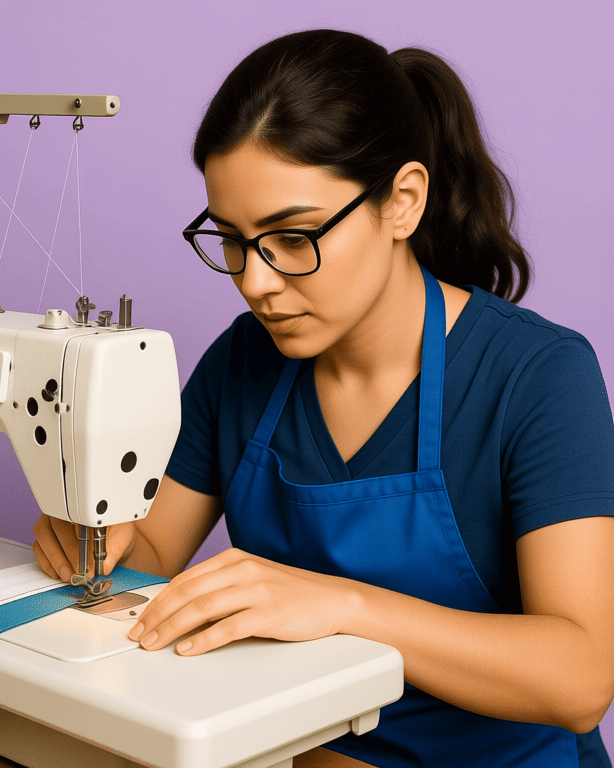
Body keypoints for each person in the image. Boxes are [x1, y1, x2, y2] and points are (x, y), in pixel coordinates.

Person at [33, 29, 614, 767]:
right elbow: (151, 553)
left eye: (294, 237)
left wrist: (340, 604)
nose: (256, 282)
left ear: (401, 202)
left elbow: (580, 677)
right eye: (234, 239)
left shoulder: (536, 375)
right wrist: (96, 540)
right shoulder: (243, 361)